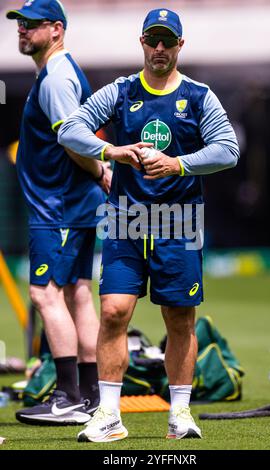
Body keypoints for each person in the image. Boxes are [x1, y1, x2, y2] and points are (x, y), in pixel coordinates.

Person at [59, 8, 239, 441]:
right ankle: (109, 415)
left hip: (179, 222)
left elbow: (228, 149)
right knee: (113, 311)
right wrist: (113, 152)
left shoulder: (198, 96)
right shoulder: (120, 92)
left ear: (180, 44)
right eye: (152, 40)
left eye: (167, 41)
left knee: (179, 318)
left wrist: (177, 163)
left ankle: (179, 415)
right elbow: (69, 130)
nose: (159, 48)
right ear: (142, 43)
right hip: (124, 219)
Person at [6, 0, 111, 425]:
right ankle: (87, 395)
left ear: (56, 29)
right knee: (77, 292)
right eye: (19, 24)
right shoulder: (56, 73)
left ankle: (68, 398)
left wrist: (101, 167)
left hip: (59, 206)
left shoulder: (56, 77)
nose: (22, 30)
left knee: (44, 294)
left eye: (31, 25)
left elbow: (75, 141)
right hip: (71, 203)